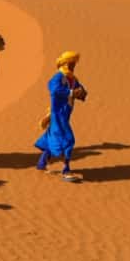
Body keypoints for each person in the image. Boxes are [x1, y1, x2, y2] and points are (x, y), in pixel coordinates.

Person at [34, 51, 88, 179]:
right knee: (67, 140)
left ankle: (41, 164)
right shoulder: (58, 77)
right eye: (71, 63)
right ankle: (66, 171)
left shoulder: (73, 79)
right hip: (58, 114)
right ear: (65, 63)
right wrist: (71, 93)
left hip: (64, 115)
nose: (73, 66)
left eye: (74, 63)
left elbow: (80, 90)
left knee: (52, 139)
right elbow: (54, 89)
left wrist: (82, 93)